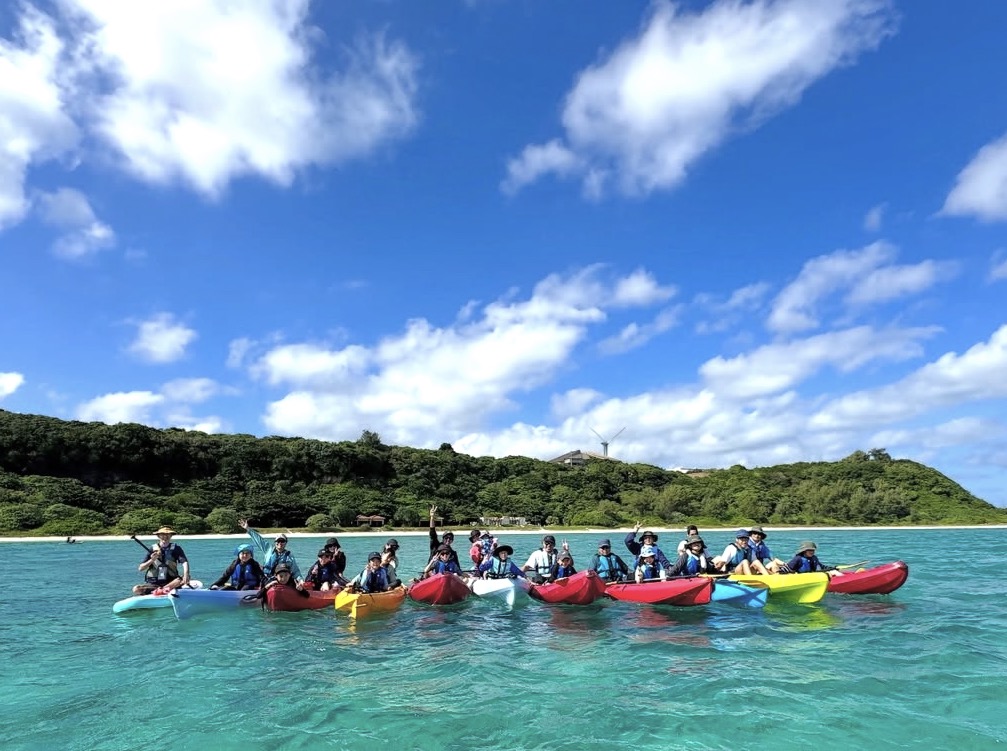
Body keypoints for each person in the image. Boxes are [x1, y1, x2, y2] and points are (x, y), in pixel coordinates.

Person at [239, 519, 304, 584]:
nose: (280, 543)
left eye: (282, 541)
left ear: (286, 543)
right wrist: (248, 529)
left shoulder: (289, 556)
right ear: (275, 542)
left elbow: (295, 571)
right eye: (278, 541)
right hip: (267, 578)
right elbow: (259, 540)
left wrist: (301, 580)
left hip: (282, 580)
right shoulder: (268, 549)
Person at [132, 526, 190, 595]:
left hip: (170, 581)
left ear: (171, 536)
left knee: (184, 578)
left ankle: (161, 590)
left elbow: (184, 562)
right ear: (158, 536)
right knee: (136, 589)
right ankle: (161, 590)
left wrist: (186, 574)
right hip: (154, 582)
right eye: (162, 534)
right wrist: (152, 560)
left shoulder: (176, 548)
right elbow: (141, 568)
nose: (165, 536)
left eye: (167, 534)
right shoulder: (152, 549)